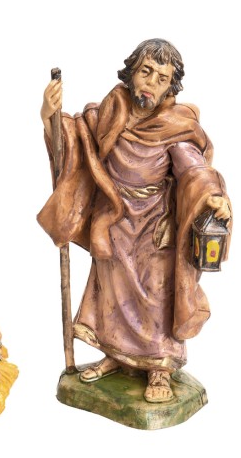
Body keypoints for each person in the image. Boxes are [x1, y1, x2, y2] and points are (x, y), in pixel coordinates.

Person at [38, 39, 232, 403]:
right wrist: (50, 115)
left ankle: (159, 365)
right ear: (131, 73)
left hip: (155, 223)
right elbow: (76, 143)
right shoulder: (110, 111)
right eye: (146, 72)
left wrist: (212, 196)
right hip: (113, 219)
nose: (151, 83)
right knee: (112, 291)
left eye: (162, 78)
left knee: (156, 292)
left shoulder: (175, 125)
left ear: (171, 87)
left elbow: (194, 170)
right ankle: (116, 355)